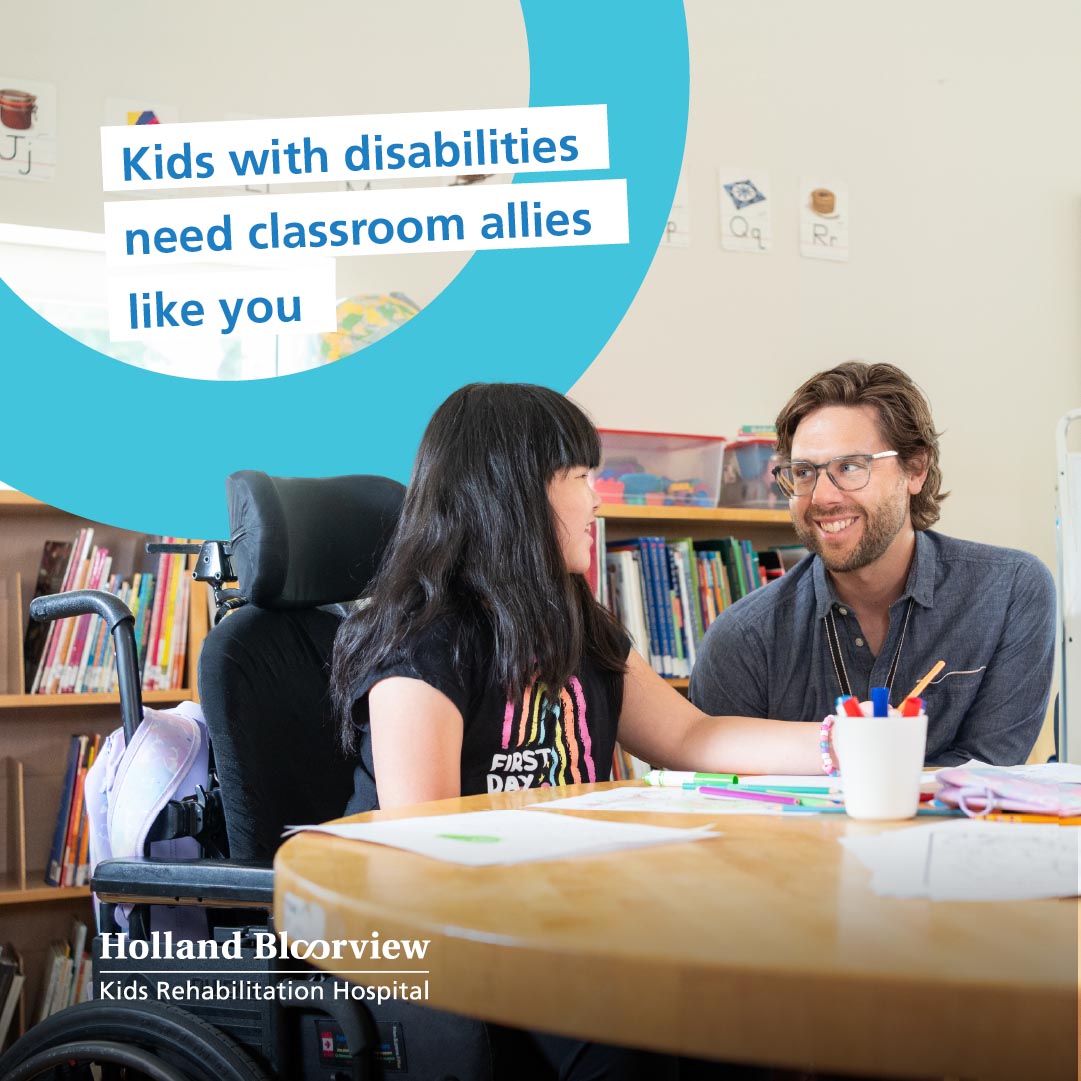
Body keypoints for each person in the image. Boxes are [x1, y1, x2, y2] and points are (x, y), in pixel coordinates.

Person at [330, 381, 835, 1081]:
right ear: (514, 493)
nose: (596, 499)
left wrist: (840, 744)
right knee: (640, 1041)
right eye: (578, 477)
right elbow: (428, 848)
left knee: (758, 1014)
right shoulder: (422, 646)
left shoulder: (574, 618)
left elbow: (688, 737)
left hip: (572, 918)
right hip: (459, 936)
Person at [690, 362, 1056, 766]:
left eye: (849, 467)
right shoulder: (742, 639)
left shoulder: (1010, 592)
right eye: (804, 472)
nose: (822, 497)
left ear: (915, 469)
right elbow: (723, 800)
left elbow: (988, 773)